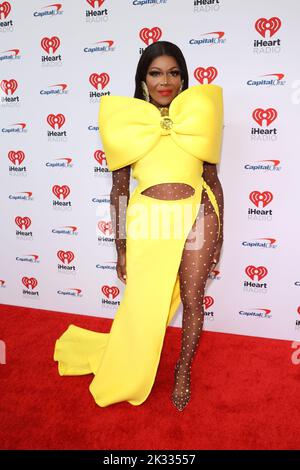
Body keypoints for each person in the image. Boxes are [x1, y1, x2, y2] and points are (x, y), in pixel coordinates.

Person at [54, 41, 224, 412]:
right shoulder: (129, 126)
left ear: (183, 77)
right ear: (143, 79)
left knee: (194, 299)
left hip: (199, 215)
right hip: (149, 222)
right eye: (156, 72)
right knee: (143, 305)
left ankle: (182, 371)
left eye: (174, 72)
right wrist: (120, 247)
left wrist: (219, 233)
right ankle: (126, 360)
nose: (166, 81)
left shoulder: (198, 120)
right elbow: (118, 193)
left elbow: (212, 179)